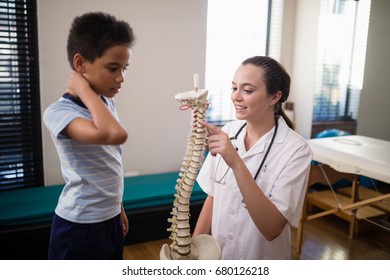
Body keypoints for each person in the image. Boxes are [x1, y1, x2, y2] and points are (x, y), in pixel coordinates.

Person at [193, 56, 312, 259]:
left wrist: (236, 162)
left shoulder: (296, 150)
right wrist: (192, 251)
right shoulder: (228, 131)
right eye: (234, 88)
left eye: (247, 90)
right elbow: (213, 196)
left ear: (274, 97)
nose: (236, 97)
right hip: (219, 256)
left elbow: (272, 228)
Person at [43, 12, 135, 259]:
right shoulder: (59, 112)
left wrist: (118, 207)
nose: (121, 78)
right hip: (80, 225)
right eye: (113, 68)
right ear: (80, 63)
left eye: (124, 68)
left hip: (109, 217)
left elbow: (107, 162)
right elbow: (114, 135)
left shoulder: (103, 103)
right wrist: (83, 88)